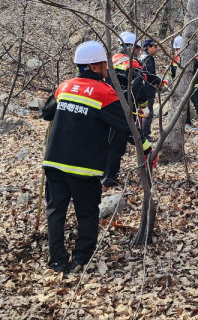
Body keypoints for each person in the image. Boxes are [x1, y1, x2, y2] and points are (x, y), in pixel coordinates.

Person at [42, 41, 131, 273]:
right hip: (84, 167)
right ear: (94, 66)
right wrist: (146, 144)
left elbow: (46, 112)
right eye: (104, 64)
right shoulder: (105, 92)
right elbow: (125, 125)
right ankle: (81, 258)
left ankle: (57, 260)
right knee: (88, 214)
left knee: (55, 212)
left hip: (54, 162)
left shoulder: (64, 87)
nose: (106, 68)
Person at [103, 32, 155, 188]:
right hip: (124, 109)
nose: (138, 52)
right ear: (131, 47)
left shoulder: (111, 60)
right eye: (137, 48)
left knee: (109, 142)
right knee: (117, 145)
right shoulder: (131, 63)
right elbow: (137, 87)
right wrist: (144, 106)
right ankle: (109, 179)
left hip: (107, 107)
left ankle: (104, 174)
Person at [171, 36, 198, 129]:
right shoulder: (174, 60)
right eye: (176, 49)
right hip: (182, 86)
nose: (178, 51)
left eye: (179, 49)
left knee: (197, 103)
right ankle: (187, 122)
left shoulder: (192, 58)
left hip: (194, 85)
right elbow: (172, 74)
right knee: (185, 105)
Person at [139, 38, 160, 141]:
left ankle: (142, 133)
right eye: (155, 47)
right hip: (147, 89)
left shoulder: (143, 57)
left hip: (142, 88)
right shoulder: (148, 59)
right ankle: (145, 134)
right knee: (148, 112)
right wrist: (159, 81)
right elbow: (150, 75)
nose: (157, 49)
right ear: (148, 47)